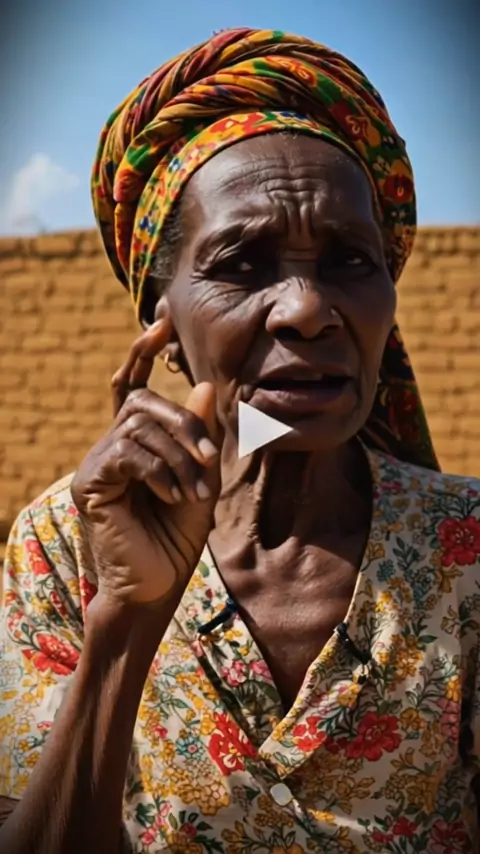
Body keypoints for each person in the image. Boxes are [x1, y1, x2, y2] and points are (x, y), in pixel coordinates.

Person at [0, 26, 478, 854]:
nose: (307, 310)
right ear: (163, 324)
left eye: (350, 261)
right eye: (243, 264)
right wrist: (123, 623)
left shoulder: (463, 550)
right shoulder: (63, 546)